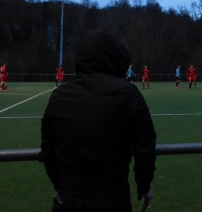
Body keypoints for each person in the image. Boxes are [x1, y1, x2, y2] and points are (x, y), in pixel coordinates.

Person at [39, 29, 157, 212]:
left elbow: (47, 151)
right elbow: (145, 147)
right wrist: (144, 186)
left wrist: (63, 186)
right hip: (113, 198)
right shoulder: (128, 93)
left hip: (67, 200)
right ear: (115, 57)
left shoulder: (59, 95)